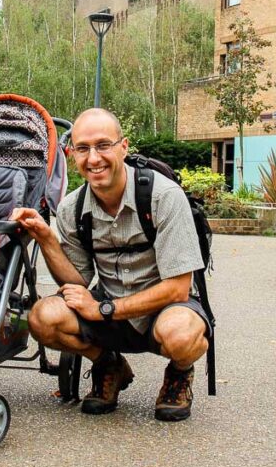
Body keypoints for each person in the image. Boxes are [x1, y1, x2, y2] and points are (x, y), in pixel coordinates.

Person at [12, 108, 212, 422]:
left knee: (180, 334)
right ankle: (109, 365)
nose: (93, 158)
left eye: (103, 145)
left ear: (124, 147)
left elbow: (177, 288)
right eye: (83, 148)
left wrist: (102, 310)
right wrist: (45, 238)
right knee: (42, 318)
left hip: (165, 309)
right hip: (108, 311)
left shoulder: (164, 197)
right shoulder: (72, 207)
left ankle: (179, 372)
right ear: (72, 153)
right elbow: (76, 281)